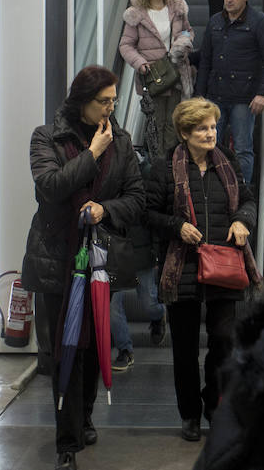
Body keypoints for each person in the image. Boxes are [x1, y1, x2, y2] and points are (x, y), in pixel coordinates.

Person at [21, 65, 145, 470]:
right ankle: (67, 443)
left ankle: (86, 415)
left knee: (93, 346)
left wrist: (104, 208)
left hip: (101, 259)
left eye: (113, 100)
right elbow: (51, 187)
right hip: (57, 258)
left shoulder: (121, 141)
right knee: (65, 349)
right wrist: (92, 153)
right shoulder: (47, 137)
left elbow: (136, 198)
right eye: (103, 101)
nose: (111, 108)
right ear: (81, 101)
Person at [146, 97, 259, 442]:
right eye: (203, 128)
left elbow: (249, 200)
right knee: (184, 348)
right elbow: (148, 214)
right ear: (185, 132)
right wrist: (176, 226)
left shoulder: (229, 164)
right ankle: (190, 415)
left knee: (224, 340)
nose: (211, 133)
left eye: (213, 126)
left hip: (224, 264)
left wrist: (242, 221)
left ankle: (214, 405)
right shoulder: (164, 169)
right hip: (183, 266)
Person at [195, 0, 264, 184]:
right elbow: (205, 60)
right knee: (208, 146)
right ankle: (212, 190)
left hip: (245, 98)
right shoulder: (215, 21)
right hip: (215, 95)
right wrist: (199, 96)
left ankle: (242, 194)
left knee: (242, 149)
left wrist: (263, 93)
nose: (229, 0)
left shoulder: (260, 22)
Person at [120, 0, 195, 157]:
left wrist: (182, 44)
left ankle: (172, 166)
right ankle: (157, 169)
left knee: (174, 124)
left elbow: (188, 32)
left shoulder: (177, 8)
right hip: (153, 77)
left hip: (176, 73)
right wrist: (140, 63)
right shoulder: (136, 14)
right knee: (156, 125)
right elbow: (126, 45)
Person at [110, 153, 167, 371]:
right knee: (112, 306)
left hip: (140, 250)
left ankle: (159, 316)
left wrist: (155, 251)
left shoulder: (146, 173)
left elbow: (153, 215)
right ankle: (125, 349)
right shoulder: (102, 168)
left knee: (149, 302)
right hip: (113, 249)